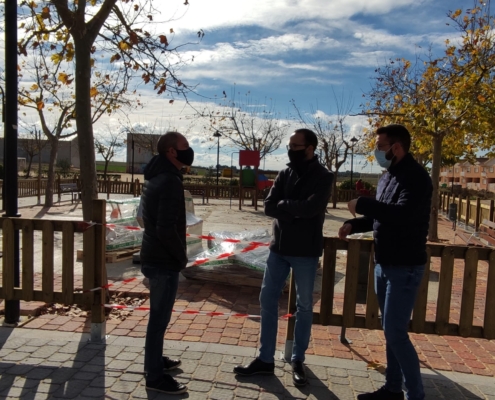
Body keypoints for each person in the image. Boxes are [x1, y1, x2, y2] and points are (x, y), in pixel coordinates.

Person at [338, 124, 432, 400]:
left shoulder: (417, 178)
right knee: (391, 330)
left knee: (395, 332)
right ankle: (392, 389)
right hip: (384, 263)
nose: (376, 151)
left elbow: (401, 215)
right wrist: (353, 224)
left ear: (396, 147)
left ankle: (415, 394)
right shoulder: (387, 177)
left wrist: (362, 203)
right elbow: (382, 217)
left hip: (405, 267)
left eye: (380, 146)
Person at [234, 128, 333, 387]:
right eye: (289, 145)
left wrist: (284, 207)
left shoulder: (324, 176)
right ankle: (265, 359)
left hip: (305, 251)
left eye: (295, 146)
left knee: (303, 306)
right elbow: (269, 205)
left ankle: (298, 359)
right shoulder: (285, 173)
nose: (290, 150)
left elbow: (313, 208)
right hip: (279, 248)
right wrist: (294, 209)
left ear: (310, 148)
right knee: (267, 299)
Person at [140, 131, 194, 395]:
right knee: (159, 319)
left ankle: (155, 359)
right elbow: (165, 229)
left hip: (154, 256)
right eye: (185, 146)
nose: (189, 150)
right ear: (172, 152)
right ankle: (154, 376)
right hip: (163, 260)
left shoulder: (156, 177)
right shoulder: (170, 181)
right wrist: (181, 256)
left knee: (158, 317)